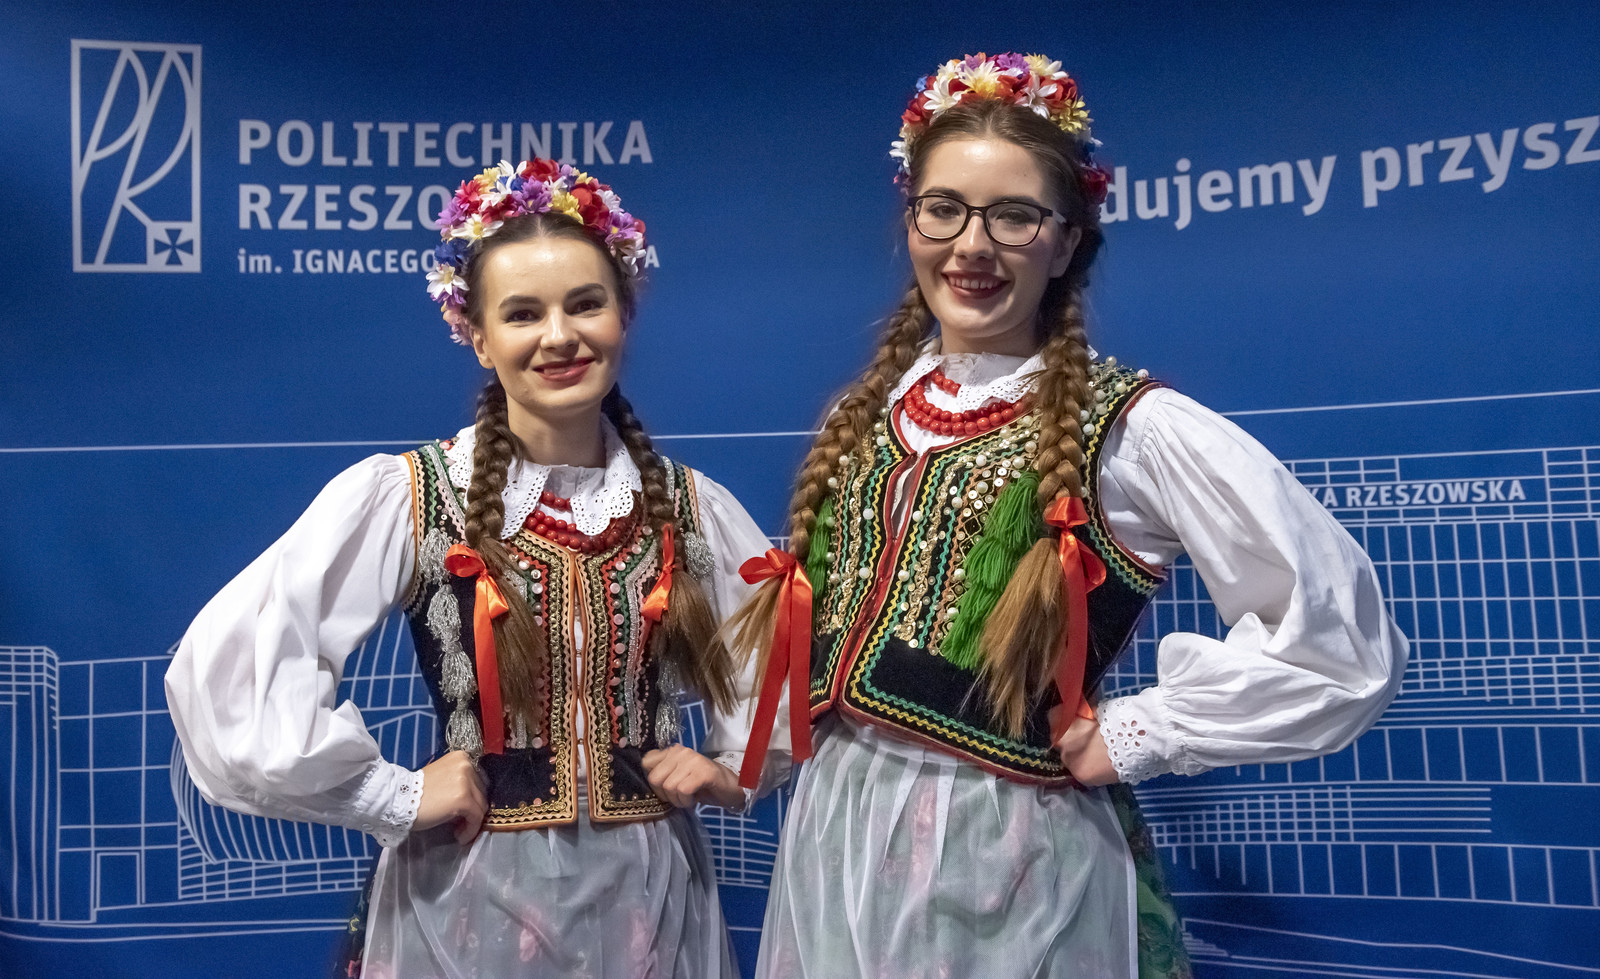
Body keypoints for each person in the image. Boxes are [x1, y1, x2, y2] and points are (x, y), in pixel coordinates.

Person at [732, 53, 1409, 978]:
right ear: (911, 219)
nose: (973, 245)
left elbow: (1339, 644)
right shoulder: (869, 412)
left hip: (1010, 853)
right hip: (836, 831)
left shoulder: (1127, 426)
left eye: (1014, 216)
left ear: (1066, 243)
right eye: (944, 209)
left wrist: (1139, 732)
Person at [166, 159, 783, 978]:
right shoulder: (415, 496)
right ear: (478, 334)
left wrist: (735, 770)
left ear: (624, 313)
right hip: (468, 897)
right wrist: (394, 794)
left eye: (585, 304)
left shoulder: (688, 504)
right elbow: (232, 669)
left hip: (649, 897)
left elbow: (781, 661)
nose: (559, 336)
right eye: (523, 313)